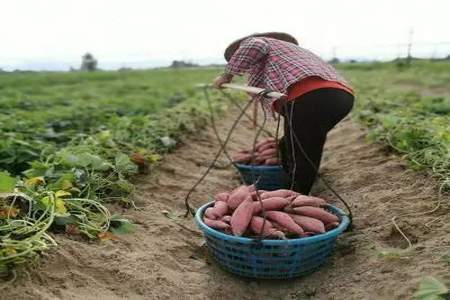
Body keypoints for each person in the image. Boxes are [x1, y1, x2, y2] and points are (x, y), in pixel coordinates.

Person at [212, 32, 354, 195]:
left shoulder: (256, 43)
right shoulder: (289, 54)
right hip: (341, 98)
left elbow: (254, 46)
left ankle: (295, 198)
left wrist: (226, 76)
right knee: (289, 146)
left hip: (310, 97)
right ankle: (297, 189)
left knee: (301, 154)